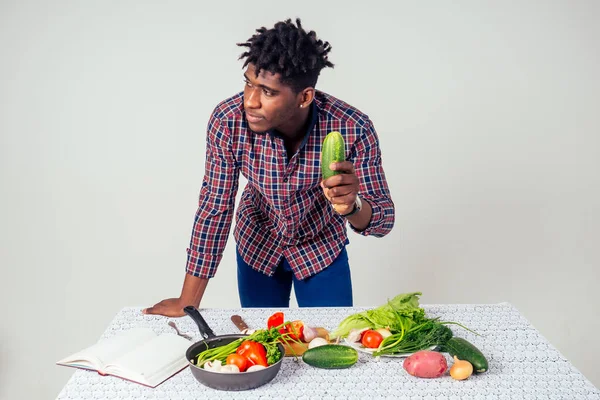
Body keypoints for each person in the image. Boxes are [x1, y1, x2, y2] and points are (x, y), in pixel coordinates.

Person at [143, 18, 394, 317]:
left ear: (305, 97)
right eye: (248, 83)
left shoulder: (353, 127)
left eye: (268, 92)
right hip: (257, 245)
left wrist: (352, 205)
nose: (250, 101)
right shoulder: (228, 120)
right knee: (264, 344)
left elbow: (383, 220)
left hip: (321, 248)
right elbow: (215, 207)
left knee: (330, 341)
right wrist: (188, 300)